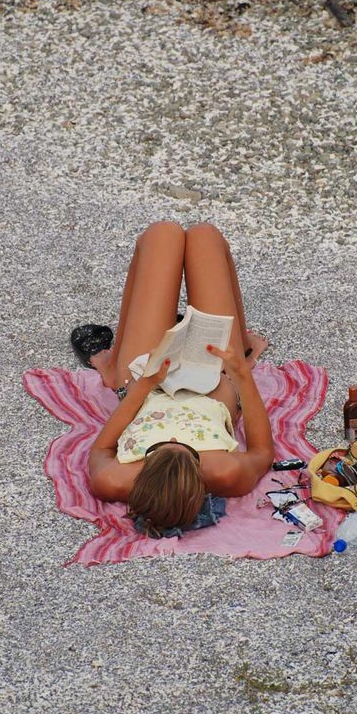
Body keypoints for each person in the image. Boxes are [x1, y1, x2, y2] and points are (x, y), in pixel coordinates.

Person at [87, 220, 273, 530]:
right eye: (185, 447)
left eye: (158, 447)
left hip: (146, 381)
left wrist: (144, 386)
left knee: (162, 235)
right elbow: (262, 452)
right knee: (205, 237)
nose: (173, 437)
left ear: (141, 472)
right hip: (215, 379)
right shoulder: (225, 473)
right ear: (201, 477)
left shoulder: (114, 479)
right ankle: (243, 346)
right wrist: (242, 374)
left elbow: (101, 450)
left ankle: (115, 360)